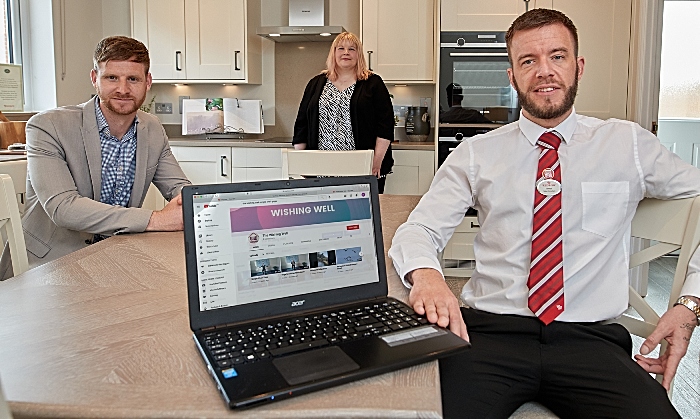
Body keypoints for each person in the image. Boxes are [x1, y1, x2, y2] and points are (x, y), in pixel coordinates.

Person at [388, 9, 700, 418]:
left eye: (557, 56)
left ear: (578, 66)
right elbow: (419, 228)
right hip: (488, 334)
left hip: (592, 342)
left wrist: (690, 304)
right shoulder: (476, 154)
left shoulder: (629, 145)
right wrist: (428, 278)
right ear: (512, 76)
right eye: (528, 61)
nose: (545, 72)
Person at [0, 36, 190, 279]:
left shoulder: (152, 128)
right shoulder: (48, 126)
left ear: (147, 82)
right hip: (47, 266)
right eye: (112, 77)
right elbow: (63, 208)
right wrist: (157, 219)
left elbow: (181, 190)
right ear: (94, 79)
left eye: (133, 79)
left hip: (115, 257)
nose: (123, 89)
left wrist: (193, 204)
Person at [293, 32, 394, 193]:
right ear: (333, 53)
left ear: (359, 54)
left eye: (351, 49)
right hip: (321, 169)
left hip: (362, 168)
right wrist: (304, 162)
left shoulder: (373, 83)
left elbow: (385, 125)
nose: (346, 52)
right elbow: (301, 124)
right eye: (341, 48)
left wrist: (375, 162)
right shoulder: (316, 83)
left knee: (364, 213)